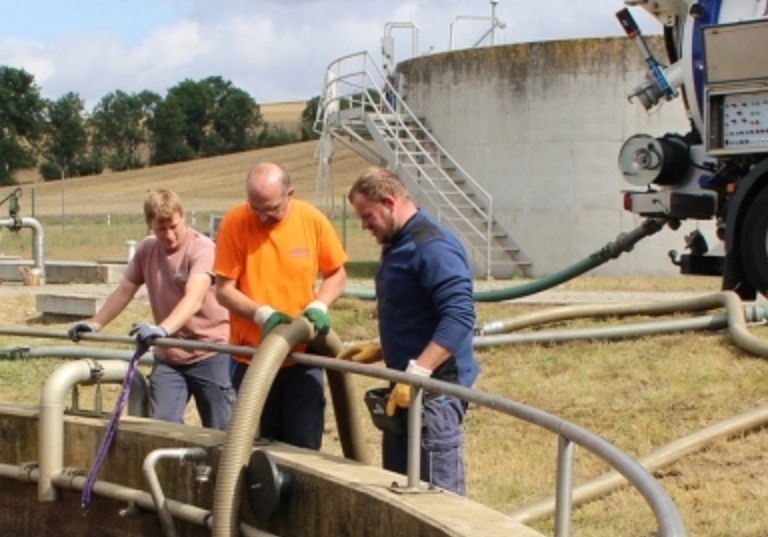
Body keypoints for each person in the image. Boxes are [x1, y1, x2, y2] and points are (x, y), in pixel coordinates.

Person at [346, 166, 478, 494]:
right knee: (400, 492)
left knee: (437, 497)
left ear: (389, 203)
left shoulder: (432, 247)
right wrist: (383, 346)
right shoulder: (397, 242)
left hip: (434, 393)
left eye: (367, 216)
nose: (364, 225)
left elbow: (459, 317)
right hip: (405, 388)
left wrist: (419, 372)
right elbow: (416, 309)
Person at [68, 188, 233, 430]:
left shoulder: (202, 248)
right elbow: (124, 291)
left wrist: (162, 329)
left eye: (174, 226)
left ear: (183, 216)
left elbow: (194, 298)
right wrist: (95, 323)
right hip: (169, 356)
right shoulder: (147, 250)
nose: (169, 235)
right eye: (161, 229)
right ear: (149, 225)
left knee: (221, 432)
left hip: (210, 352)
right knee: (162, 428)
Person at [212, 162, 348, 450]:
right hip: (252, 359)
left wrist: (320, 305)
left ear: (290, 194)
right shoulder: (234, 223)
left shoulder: (311, 220)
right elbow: (223, 290)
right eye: (256, 208)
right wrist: (261, 314)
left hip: (302, 357)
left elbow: (337, 273)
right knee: (255, 450)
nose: (262, 217)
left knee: (303, 447)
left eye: (271, 209)